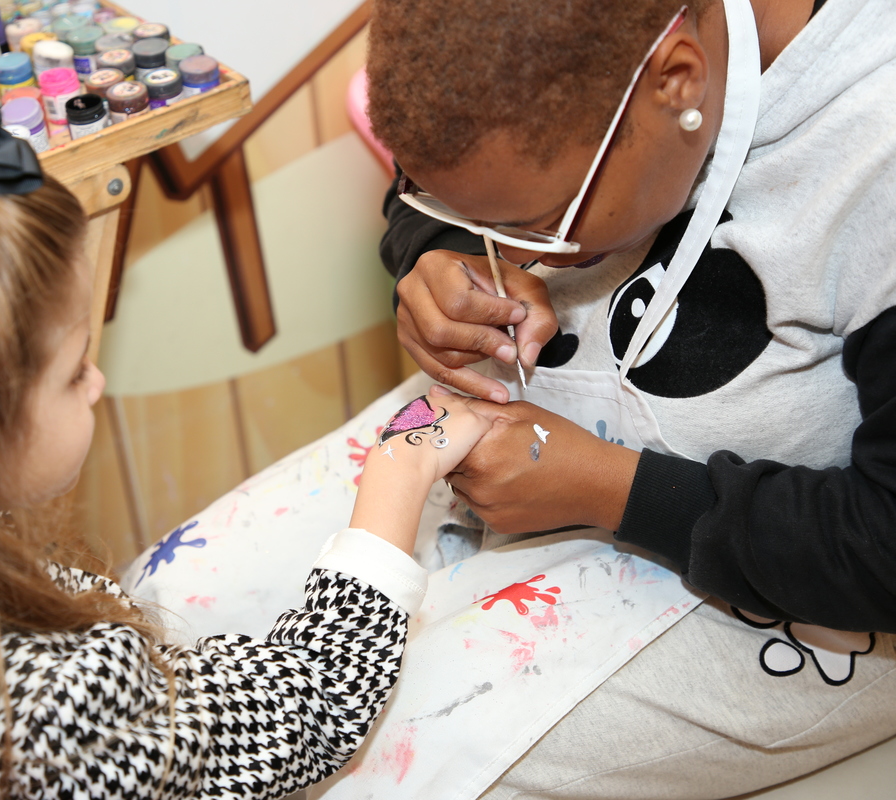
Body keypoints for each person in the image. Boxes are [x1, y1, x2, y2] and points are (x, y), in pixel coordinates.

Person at [0, 73, 495, 800]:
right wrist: (396, 480)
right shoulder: (39, 717)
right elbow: (301, 709)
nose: (98, 381)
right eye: (75, 368)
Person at [365, 0, 896, 796]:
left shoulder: (875, 139)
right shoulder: (547, 82)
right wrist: (435, 253)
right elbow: (446, 158)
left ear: (678, 81)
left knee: (402, 773)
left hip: (810, 577)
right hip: (573, 484)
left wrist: (610, 488)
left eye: (537, 224)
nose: (507, 254)